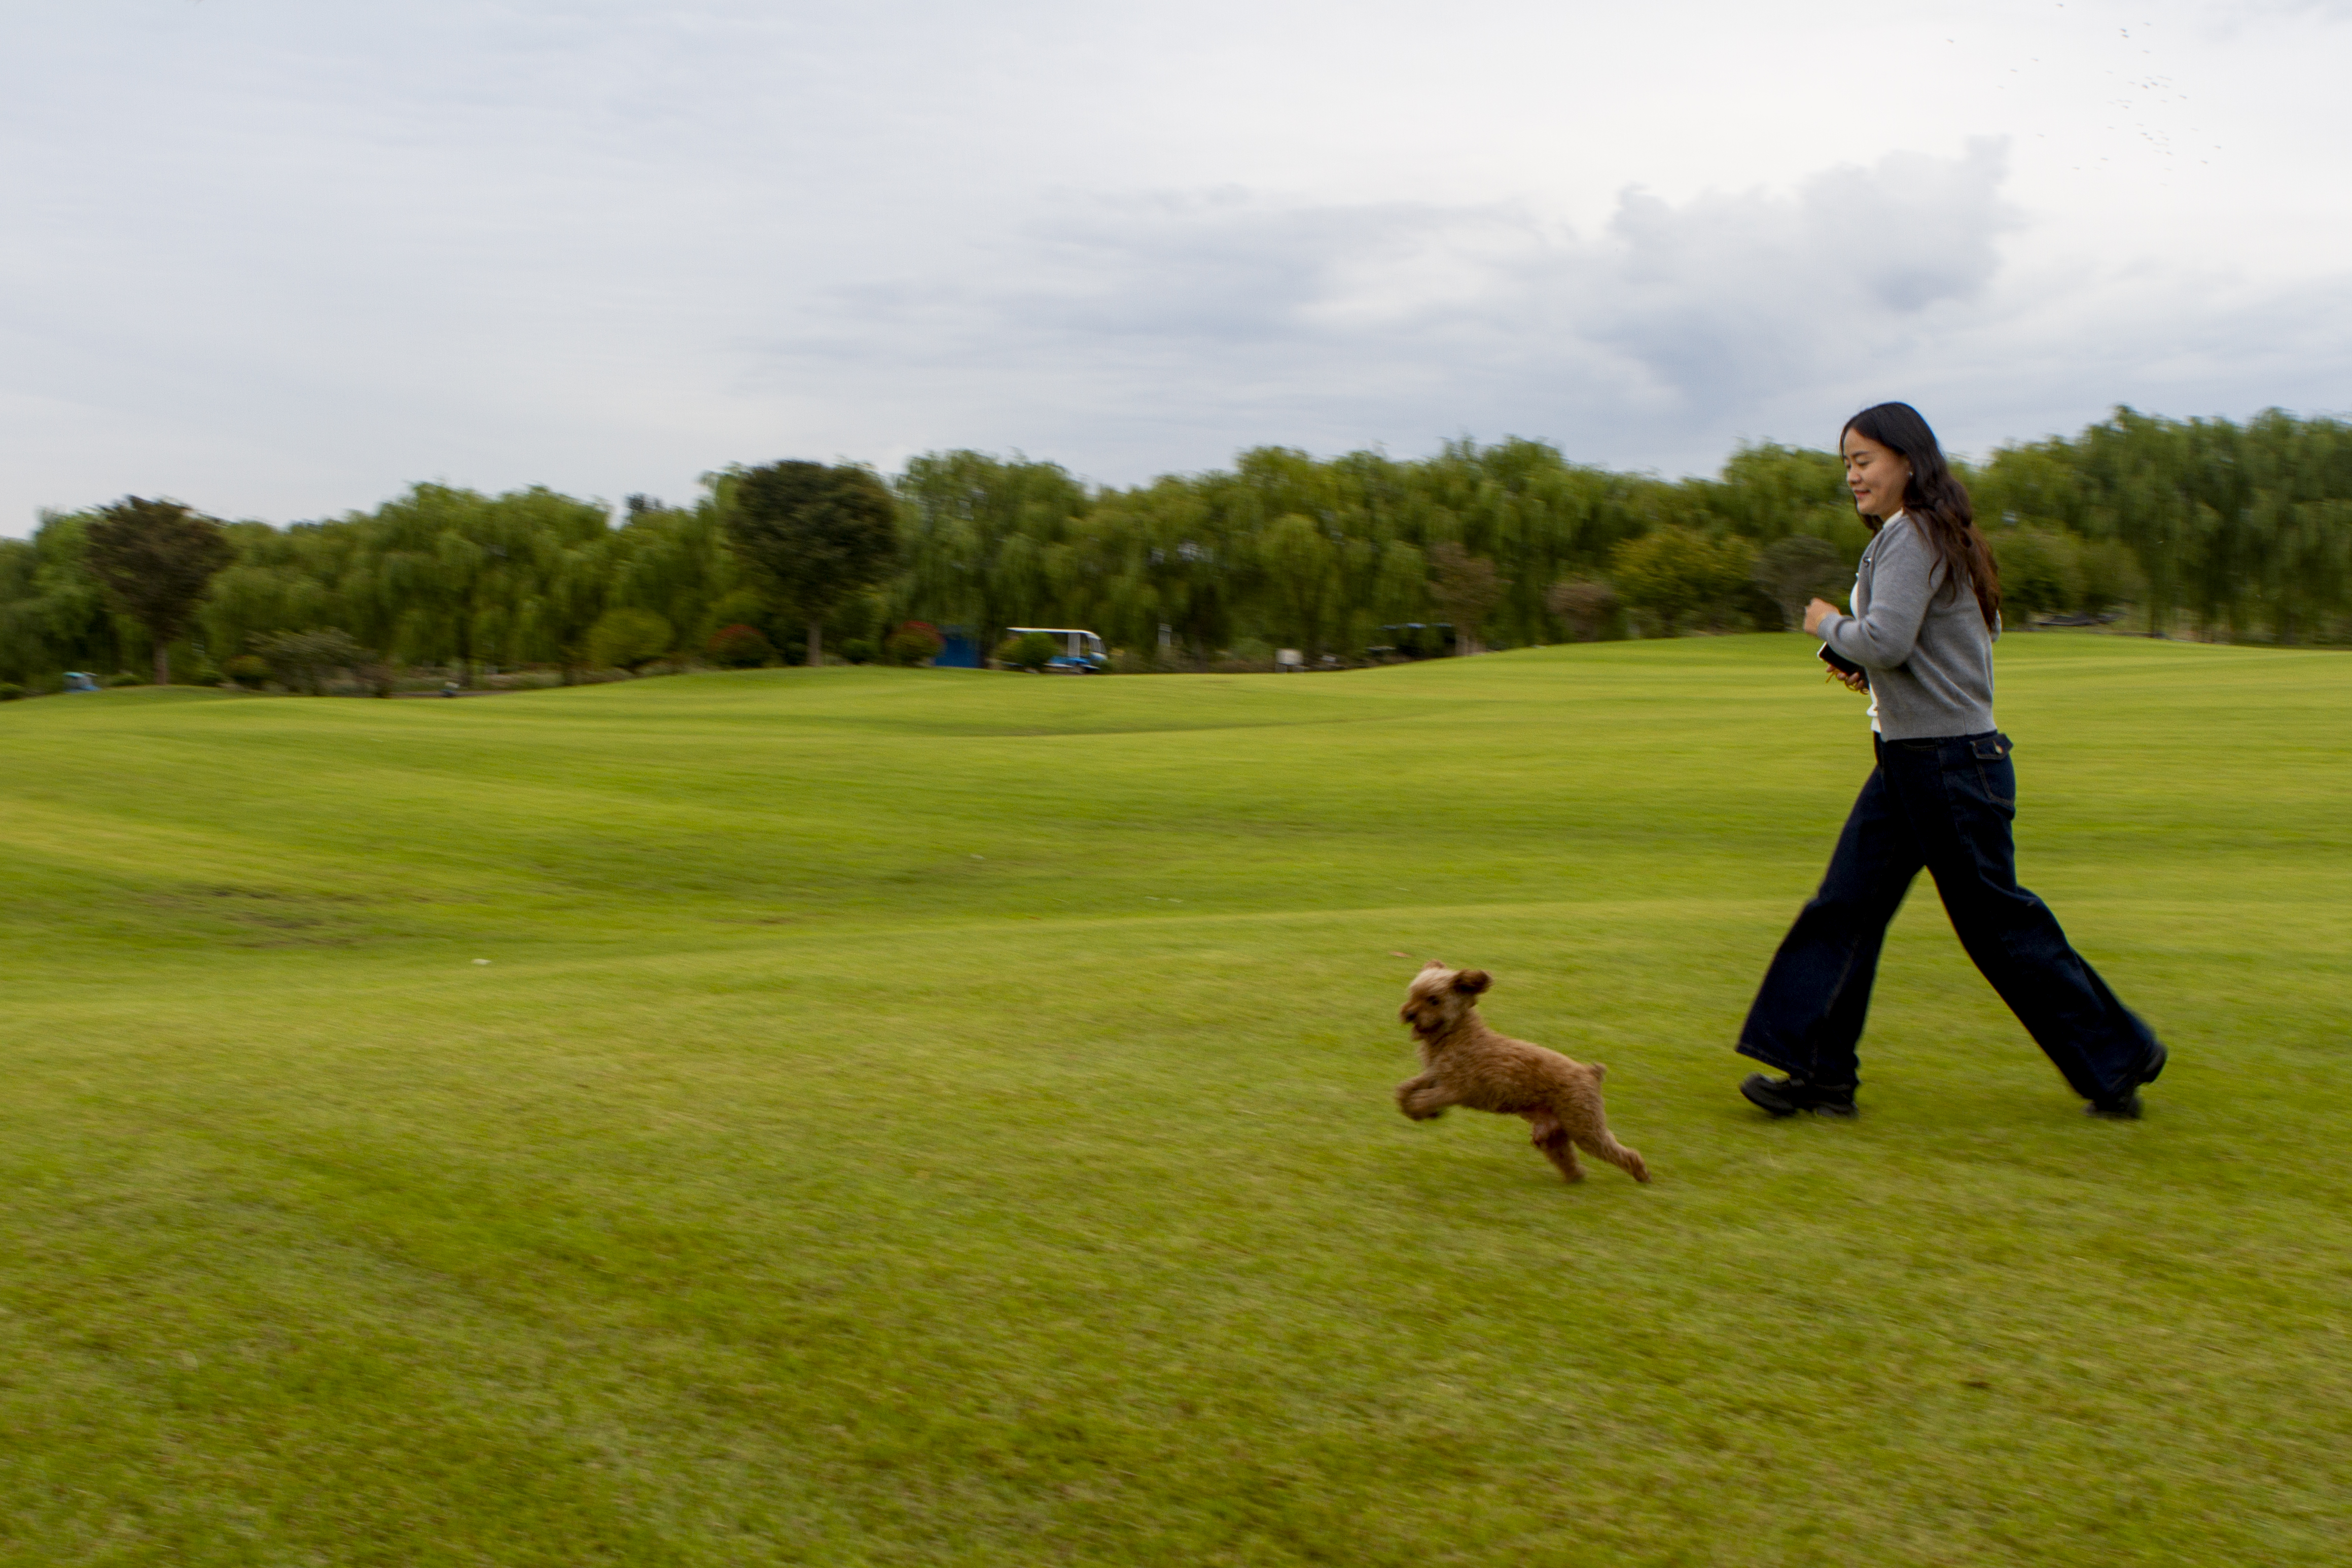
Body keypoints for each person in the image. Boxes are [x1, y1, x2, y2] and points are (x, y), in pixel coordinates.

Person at [1736, 402, 2167, 1120]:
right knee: (1845, 907)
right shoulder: (1927, 534)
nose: (1851, 475)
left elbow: (1888, 640)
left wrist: (1827, 626)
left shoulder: (1914, 535)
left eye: (1862, 460)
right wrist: (1861, 663)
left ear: (1908, 460)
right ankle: (1820, 1075)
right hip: (1913, 760)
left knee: (1996, 925)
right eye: (1846, 463)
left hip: (1946, 766)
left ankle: (2120, 1054)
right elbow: (1924, 651)